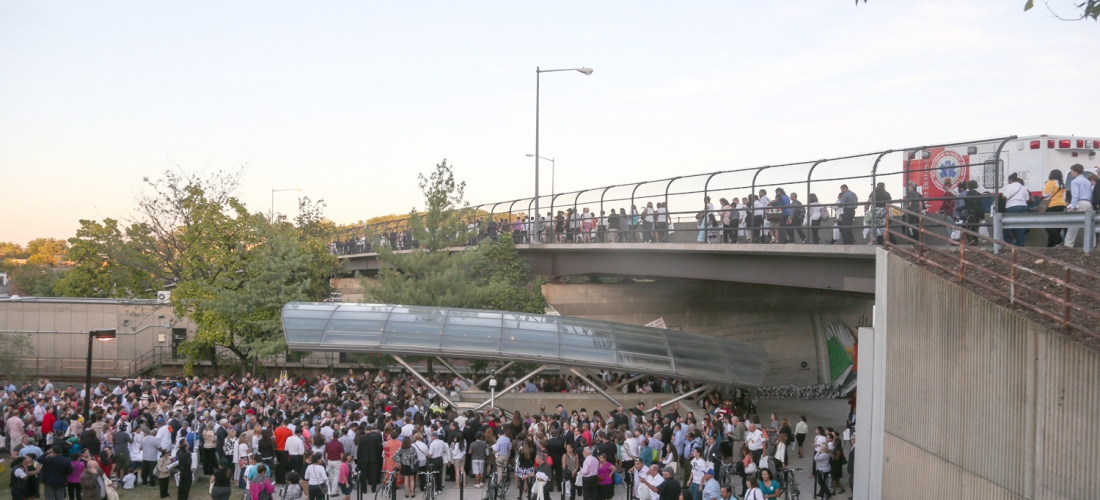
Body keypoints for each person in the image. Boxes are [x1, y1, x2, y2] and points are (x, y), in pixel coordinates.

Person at [1063, 164, 1093, 248]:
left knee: (1074, 224)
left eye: (1072, 171)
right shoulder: (1087, 181)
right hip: (1088, 203)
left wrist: (1072, 207)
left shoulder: (1074, 181)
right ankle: (1091, 244)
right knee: (1089, 225)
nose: (1072, 173)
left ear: (1075, 171)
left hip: (1080, 203)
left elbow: (1075, 195)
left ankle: (1068, 244)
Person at [1001, 173, 1030, 246]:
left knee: (1008, 226)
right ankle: (1020, 244)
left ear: (1010, 180)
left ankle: (1010, 243)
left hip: (1012, 207)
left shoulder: (1009, 186)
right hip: (1023, 207)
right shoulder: (1023, 187)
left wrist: (1002, 197)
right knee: (1021, 226)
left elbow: (1005, 197)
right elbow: (1027, 199)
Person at [1041, 169, 1067, 246]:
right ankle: (1050, 244)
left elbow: (1045, 194)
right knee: (1056, 225)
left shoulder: (1050, 182)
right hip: (1062, 204)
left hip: (1052, 205)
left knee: (1047, 225)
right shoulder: (1062, 184)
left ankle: (1059, 241)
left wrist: (1041, 195)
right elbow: (1064, 196)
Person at [963, 180, 985, 246]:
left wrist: (958, 209)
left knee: (966, 226)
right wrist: (982, 216)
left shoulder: (967, 195)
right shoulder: (978, 194)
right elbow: (980, 206)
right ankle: (975, 241)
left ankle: (970, 240)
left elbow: (966, 205)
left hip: (970, 213)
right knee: (975, 228)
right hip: (977, 213)